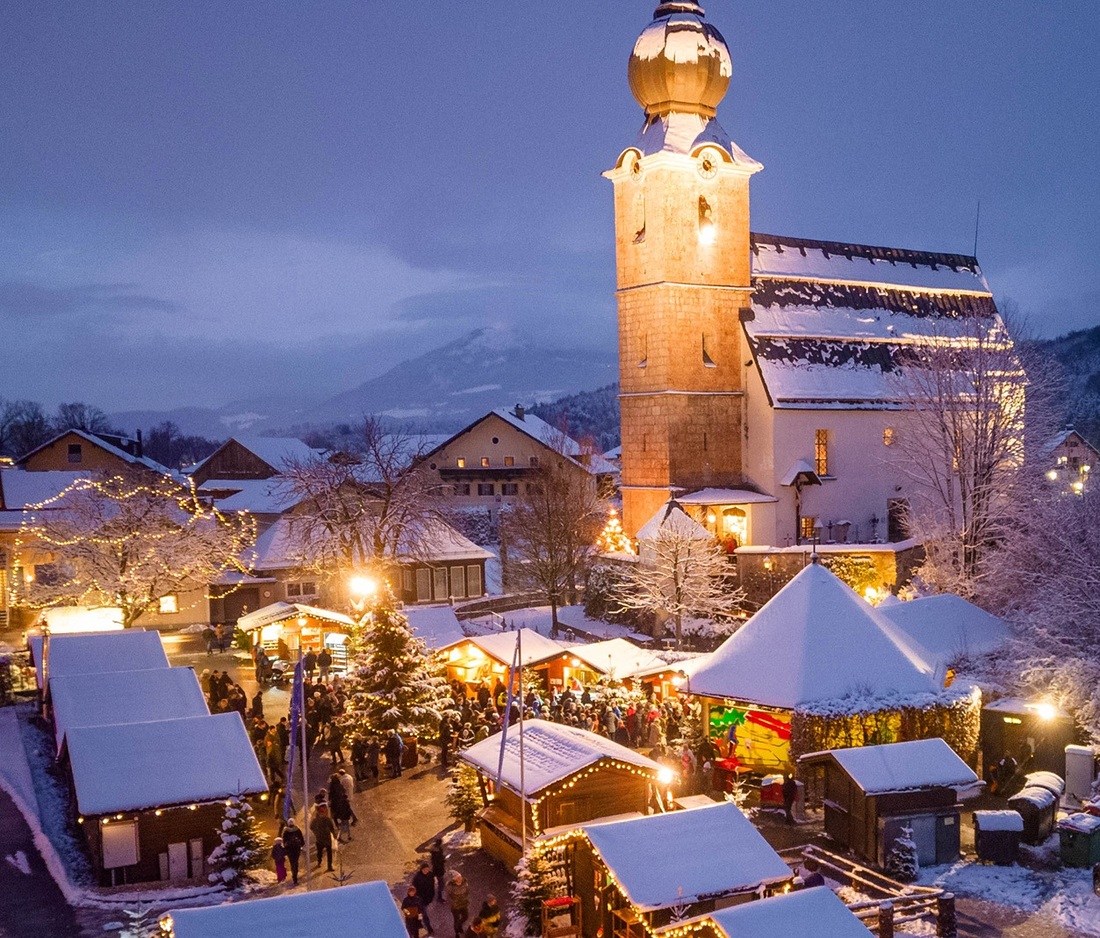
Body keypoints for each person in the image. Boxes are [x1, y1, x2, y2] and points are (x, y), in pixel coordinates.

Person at [310, 802, 337, 871]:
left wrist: (334, 834)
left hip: (326, 838)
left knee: (329, 852)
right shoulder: (316, 820)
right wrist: (316, 833)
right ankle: (319, 861)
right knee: (320, 852)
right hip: (320, 838)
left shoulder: (327, 819)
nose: (323, 813)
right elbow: (311, 827)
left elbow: (331, 827)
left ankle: (329, 866)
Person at [412, 861, 436, 933]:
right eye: (424, 869)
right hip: (420, 899)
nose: (426, 871)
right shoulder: (417, 877)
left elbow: (432, 885)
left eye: (427, 869)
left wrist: (432, 895)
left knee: (420, 912)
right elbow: (414, 888)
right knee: (424, 913)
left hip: (428, 898)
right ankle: (429, 927)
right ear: (421, 869)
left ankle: (419, 923)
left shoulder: (431, 875)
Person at [445, 871, 470, 936]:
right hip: (455, 906)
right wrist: (453, 902)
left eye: (460, 877)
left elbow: (467, 890)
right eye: (458, 878)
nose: (460, 879)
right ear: (454, 879)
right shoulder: (450, 885)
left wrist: (465, 898)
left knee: (465, 917)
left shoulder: (465, 882)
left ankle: (459, 925)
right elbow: (448, 896)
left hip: (463, 903)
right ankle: (457, 933)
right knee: (456, 920)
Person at [280, 818, 304, 884]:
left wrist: (285, 848)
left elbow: (284, 840)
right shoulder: (297, 830)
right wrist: (301, 845)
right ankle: (295, 875)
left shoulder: (286, 831)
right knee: (296, 861)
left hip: (289, 849)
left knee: (292, 862)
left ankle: (294, 875)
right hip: (296, 848)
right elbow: (301, 838)